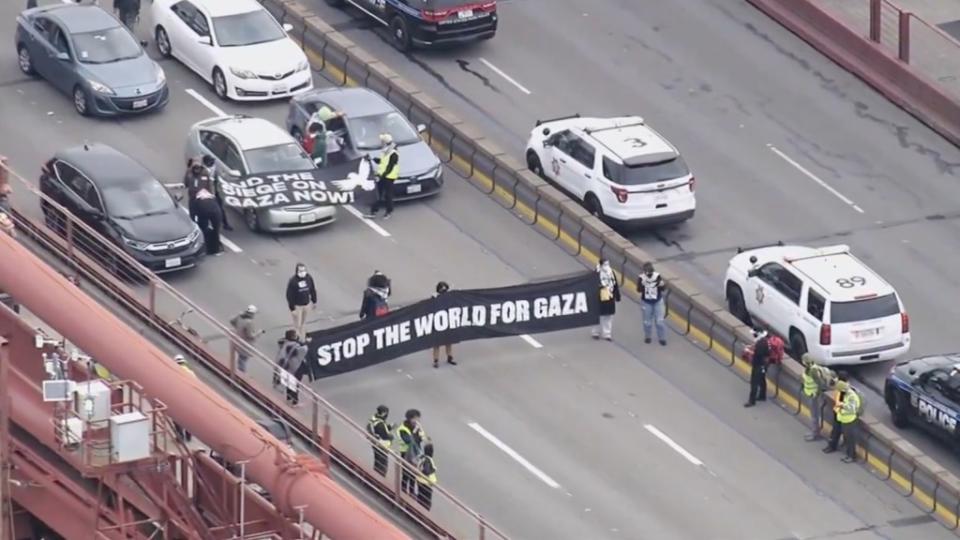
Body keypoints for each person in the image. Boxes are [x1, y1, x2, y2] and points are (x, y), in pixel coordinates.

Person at [824, 375, 862, 463]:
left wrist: (842, 405)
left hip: (849, 420)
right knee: (835, 432)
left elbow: (852, 408)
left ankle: (851, 456)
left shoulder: (851, 395)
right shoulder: (842, 391)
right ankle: (833, 446)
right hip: (841, 416)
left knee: (849, 438)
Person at [801, 354, 837, 441]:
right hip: (810, 393)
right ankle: (815, 432)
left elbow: (820, 384)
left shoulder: (813, 371)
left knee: (814, 415)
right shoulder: (809, 369)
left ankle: (815, 434)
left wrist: (817, 393)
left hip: (813, 395)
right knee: (814, 415)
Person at [364, 134, 399, 219]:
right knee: (377, 194)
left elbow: (390, 167)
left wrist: (382, 176)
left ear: (385, 142)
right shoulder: (386, 151)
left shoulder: (393, 153)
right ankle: (373, 211)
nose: (381, 143)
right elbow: (382, 162)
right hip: (382, 176)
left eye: (382, 141)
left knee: (388, 195)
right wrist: (372, 159)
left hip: (389, 177)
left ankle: (388, 212)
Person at [396, 409, 425, 495]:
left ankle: (412, 491)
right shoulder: (403, 429)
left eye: (418, 419)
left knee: (414, 474)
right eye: (415, 419)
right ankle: (403, 490)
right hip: (405, 453)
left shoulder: (417, 428)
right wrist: (415, 431)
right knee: (406, 473)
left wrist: (419, 432)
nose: (417, 421)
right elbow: (408, 441)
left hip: (415, 454)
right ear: (409, 419)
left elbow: (421, 439)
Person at [285, 263, 318, 342]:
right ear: (297, 271)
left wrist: (314, 301)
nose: (303, 272)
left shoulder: (308, 278)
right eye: (301, 270)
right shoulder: (293, 281)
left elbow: (312, 289)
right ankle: (296, 340)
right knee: (297, 324)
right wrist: (292, 309)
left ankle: (302, 339)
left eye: (304, 270)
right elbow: (289, 295)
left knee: (303, 323)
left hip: (306, 304)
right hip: (297, 306)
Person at [637, 262, 667, 346]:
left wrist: (662, 285)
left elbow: (663, 288)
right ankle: (648, 336)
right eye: (647, 273)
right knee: (647, 322)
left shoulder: (657, 276)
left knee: (659, 321)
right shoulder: (641, 278)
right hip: (646, 302)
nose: (648, 275)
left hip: (657, 301)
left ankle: (662, 338)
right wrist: (642, 285)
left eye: (650, 273)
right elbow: (638, 290)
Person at [201, 155, 232, 230]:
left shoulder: (214, 168)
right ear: (207, 163)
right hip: (207, 194)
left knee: (220, 209)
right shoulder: (203, 171)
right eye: (211, 161)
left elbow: (217, 179)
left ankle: (225, 224)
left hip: (215, 192)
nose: (213, 162)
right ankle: (209, 225)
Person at [592, 259, 620, 341]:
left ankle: (607, 334)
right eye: (605, 264)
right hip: (599, 297)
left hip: (609, 297)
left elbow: (615, 284)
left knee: (608, 316)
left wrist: (617, 295)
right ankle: (595, 332)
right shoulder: (596, 273)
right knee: (597, 315)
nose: (606, 266)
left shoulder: (611, 272)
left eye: (607, 264)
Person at [230, 305, 264, 373]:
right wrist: (259, 333)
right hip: (245, 346)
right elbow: (251, 336)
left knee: (240, 360)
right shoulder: (249, 322)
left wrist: (237, 327)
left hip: (238, 342)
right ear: (252, 314)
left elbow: (232, 321)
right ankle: (241, 376)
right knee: (243, 361)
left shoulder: (240, 317)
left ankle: (239, 373)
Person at [432, 281, 457, 368]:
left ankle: (449, 357)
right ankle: (436, 360)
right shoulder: (434, 298)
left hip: (447, 322)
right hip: (438, 323)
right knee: (436, 344)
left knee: (448, 341)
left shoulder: (448, 297)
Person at [744, 328, 769, 407]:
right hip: (763, 365)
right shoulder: (764, 341)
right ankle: (762, 395)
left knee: (754, 382)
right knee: (762, 379)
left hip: (758, 365)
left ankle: (752, 401)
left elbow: (757, 354)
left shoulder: (760, 344)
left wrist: (748, 351)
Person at [173, 354, 195, 442]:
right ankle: (189, 436)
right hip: (190, 398)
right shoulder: (191, 373)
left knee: (176, 417)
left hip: (178, 398)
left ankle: (180, 436)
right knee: (189, 417)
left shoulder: (174, 372)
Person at [366, 405, 394, 476]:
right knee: (382, 466)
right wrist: (391, 436)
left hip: (376, 444)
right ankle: (379, 477)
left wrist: (389, 427)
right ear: (384, 413)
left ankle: (376, 475)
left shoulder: (375, 419)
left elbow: (379, 430)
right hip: (381, 446)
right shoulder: (380, 424)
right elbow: (385, 435)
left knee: (377, 462)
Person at [193, 188, 222, 255]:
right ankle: (216, 249)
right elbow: (220, 209)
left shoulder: (197, 200)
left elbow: (194, 213)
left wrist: (195, 223)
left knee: (203, 229)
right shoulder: (212, 197)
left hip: (203, 210)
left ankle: (205, 248)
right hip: (216, 212)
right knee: (216, 230)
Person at [416, 443, 438, 510]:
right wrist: (433, 470)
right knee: (426, 501)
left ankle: (419, 510)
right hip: (426, 483)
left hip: (420, 481)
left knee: (420, 497)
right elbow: (426, 470)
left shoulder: (422, 457)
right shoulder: (428, 460)